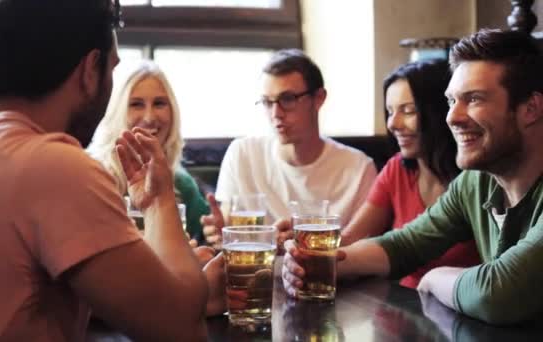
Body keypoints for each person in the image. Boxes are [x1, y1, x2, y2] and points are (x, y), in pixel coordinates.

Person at [0, 0, 218, 340]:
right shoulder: (52, 165)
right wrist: (159, 202)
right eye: (111, 70)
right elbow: (182, 329)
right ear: (90, 71)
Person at [282, 28, 543, 324]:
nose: (452, 117)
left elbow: (497, 294)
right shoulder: (477, 181)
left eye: (474, 99)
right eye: (451, 101)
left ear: (530, 108)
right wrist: (324, 265)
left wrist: (436, 278)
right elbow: (405, 244)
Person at [202, 49, 377, 247]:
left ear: (319, 98)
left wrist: (307, 245)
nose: (276, 113)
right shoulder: (243, 154)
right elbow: (227, 224)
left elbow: (361, 249)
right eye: (268, 102)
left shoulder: (359, 168)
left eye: (287, 100)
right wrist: (219, 230)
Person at [341, 60, 480, 289]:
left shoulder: (477, 178)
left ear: (439, 111)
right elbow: (350, 240)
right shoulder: (397, 169)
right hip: (403, 309)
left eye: (408, 111)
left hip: (462, 311)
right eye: (390, 111)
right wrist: (304, 247)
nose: (393, 124)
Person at [89, 60, 210, 242]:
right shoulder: (91, 176)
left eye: (159, 103)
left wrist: (214, 232)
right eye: (136, 104)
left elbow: (205, 239)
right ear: (116, 112)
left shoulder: (181, 183)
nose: (149, 117)